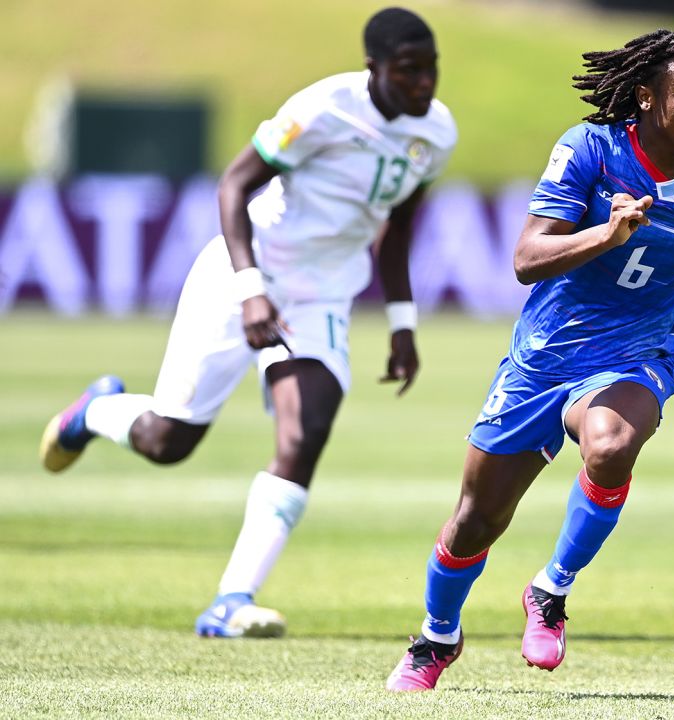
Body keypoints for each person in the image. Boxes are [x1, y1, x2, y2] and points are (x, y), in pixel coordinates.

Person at [38, 7, 456, 637]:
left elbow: (397, 230)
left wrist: (402, 323)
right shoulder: (322, 107)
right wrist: (252, 290)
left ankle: (230, 602)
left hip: (322, 299)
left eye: (430, 69)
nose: (423, 84)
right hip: (246, 273)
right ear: (372, 67)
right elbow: (234, 185)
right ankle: (95, 412)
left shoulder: (438, 132)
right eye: (408, 71)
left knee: (304, 434)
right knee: (167, 443)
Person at [384, 29, 674, 692]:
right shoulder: (590, 149)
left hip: (636, 352)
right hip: (545, 357)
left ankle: (550, 591)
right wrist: (607, 233)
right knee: (476, 519)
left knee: (612, 443)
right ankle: (436, 638)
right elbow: (527, 259)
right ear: (647, 98)